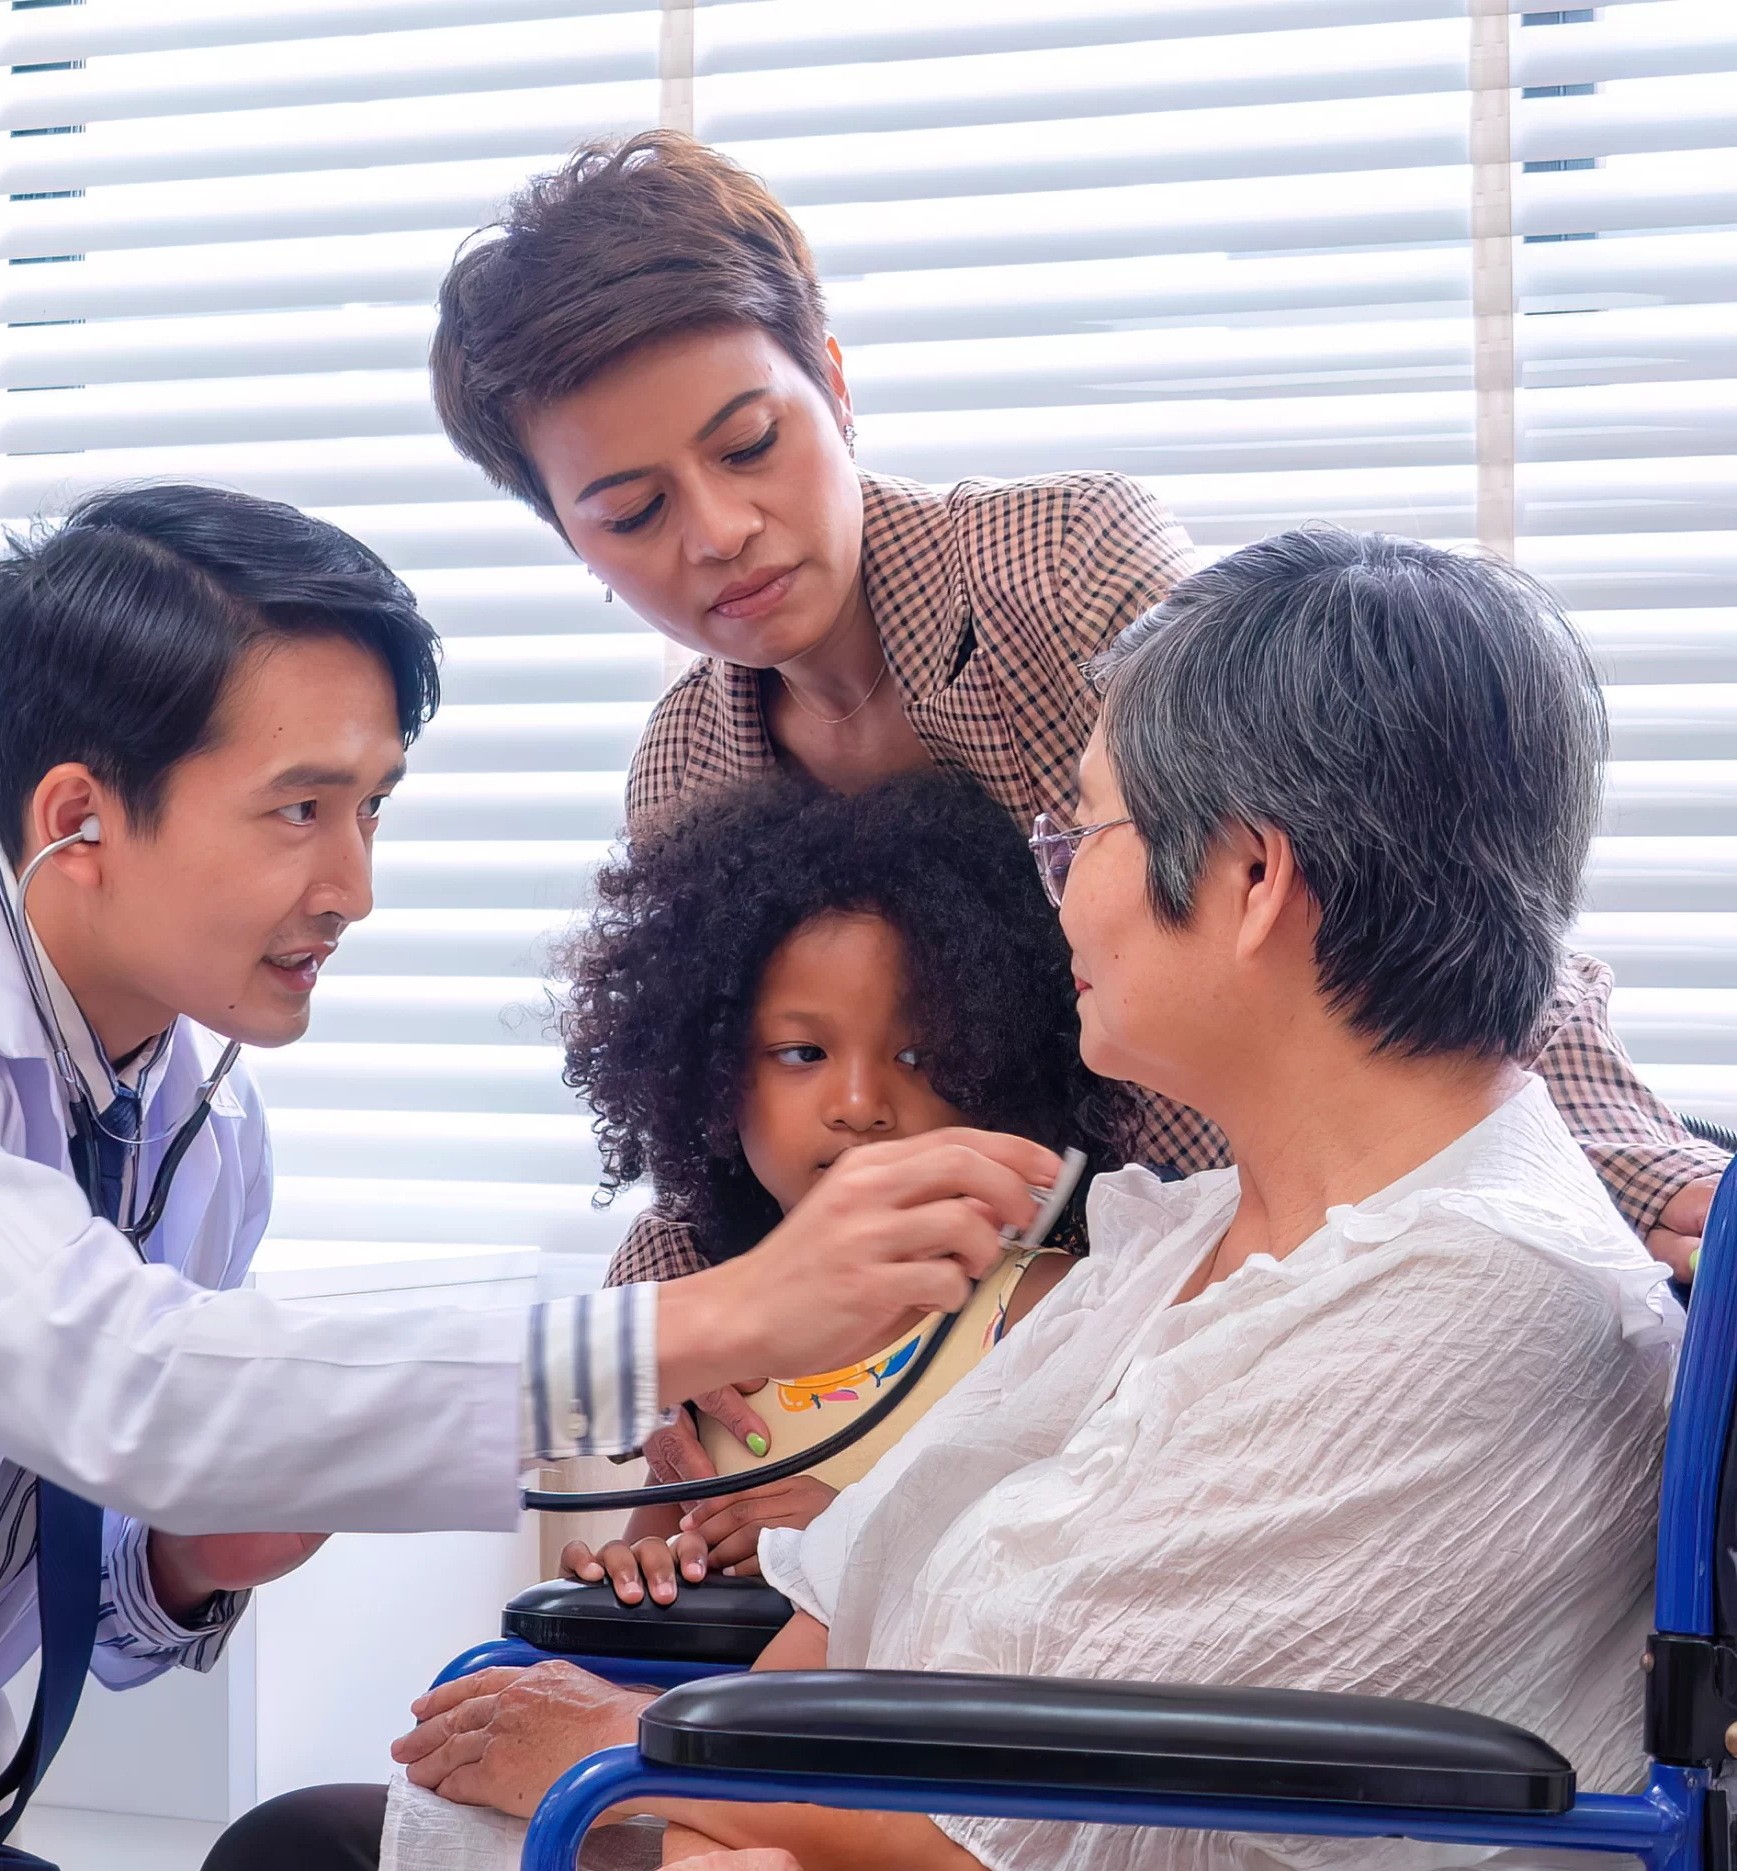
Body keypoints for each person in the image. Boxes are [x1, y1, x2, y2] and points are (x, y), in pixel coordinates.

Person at [0, 483, 1061, 1871]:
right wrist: (722, 1313)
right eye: (299, 810)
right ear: (79, 817)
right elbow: (131, 1386)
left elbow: (112, 1585)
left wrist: (198, 1558)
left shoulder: (199, 1125)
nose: (352, 885)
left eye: (373, 807)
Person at [192, 530, 1680, 1871]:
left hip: (945, 1862)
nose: (1061, 898)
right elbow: (859, 1601)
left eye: (1081, 834)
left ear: (1246, 878)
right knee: (303, 1854)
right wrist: (717, 1824)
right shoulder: (1185, 1237)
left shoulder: (1470, 1302)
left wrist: (649, 1761)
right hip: (857, 1830)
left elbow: (1071, 1830)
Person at [428, 128, 1725, 1288]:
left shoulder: (1060, 572)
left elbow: (1414, 874)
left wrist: (1649, 1174)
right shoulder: (690, 773)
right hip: (1003, 1343)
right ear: (569, 535)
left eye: (751, 442)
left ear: (832, 377)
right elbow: (709, 1149)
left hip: (1300, 1262)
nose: (720, 531)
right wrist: (655, 1369)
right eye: (634, 512)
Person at [547, 773, 1138, 1607]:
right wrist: (633, 1572)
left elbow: (1059, 1579)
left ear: (995, 1067)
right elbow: (659, 1568)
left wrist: (848, 1536)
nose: (860, 1107)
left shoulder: (1041, 1310)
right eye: (801, 1054)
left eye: (917, 1056)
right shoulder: (718, 1351)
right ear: (712, 1083)